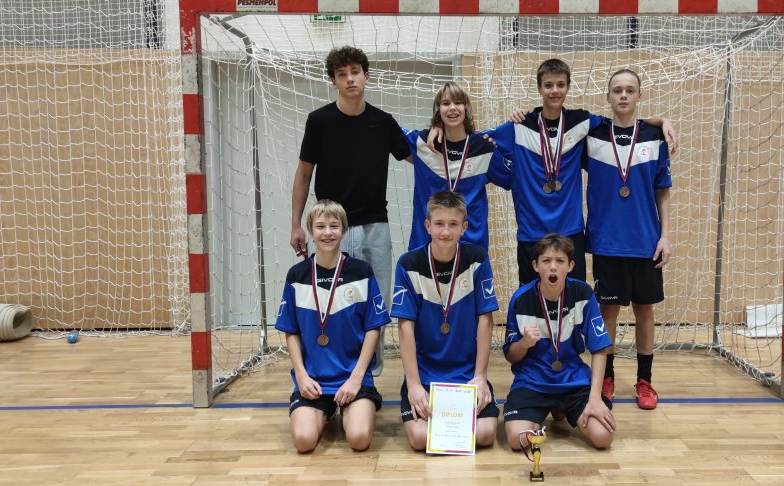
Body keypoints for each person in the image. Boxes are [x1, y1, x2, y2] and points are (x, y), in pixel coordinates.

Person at [435, 58, 676, 285]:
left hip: (571, 233)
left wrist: (661, 121)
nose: (554, 90)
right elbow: (470, 139)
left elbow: (623, 123)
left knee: (573, 303)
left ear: (568, 87)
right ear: (539, 88)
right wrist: (438, 127)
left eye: (560, 85)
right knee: (533, 304)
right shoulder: (519, 126)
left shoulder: (582, 121)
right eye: (548, 85)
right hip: (531, 234)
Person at [290, 46, 411, 376]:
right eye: (342, 74)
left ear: (366, 76)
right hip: (332, 229)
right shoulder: (319, 121)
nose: (350, 79)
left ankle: (369, 374)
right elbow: (304, 174)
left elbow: (420, 158)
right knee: (332, 302)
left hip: (375, 227)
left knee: (376, 302)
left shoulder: (383, 122)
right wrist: (296, 224)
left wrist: (446, 136)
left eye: (355, 72)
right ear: (334, 81)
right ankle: (330, 368)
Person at [585, 69, 672, 409]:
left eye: (630, 90)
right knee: (607, 312)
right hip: (606, 241)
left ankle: (645, 381)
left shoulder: (654, 137)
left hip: (646, 241)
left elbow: (662, 191)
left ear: (639, 95)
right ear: (608, 96)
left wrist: (665, 236)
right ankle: (606, 377)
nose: (623, 95)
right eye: (617, 90)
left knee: (644, 311)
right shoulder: (592, 135)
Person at [276, 200, 390, 453]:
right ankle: (325, 408)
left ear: (344, 230)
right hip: (314, 379)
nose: (327, 232)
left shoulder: (362, 272)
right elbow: (290, 330)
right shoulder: (297, 276)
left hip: (353, 376)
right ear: (310, 231)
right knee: (303, 442)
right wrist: (302, 376)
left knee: (359, 439)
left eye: (334, 226)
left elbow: (374, 327)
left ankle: (355, 404)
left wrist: (357, 377)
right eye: (320, 226)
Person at [391, 190, 501, 450]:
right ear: (427, 225)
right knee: (419, 439)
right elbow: (405, 327)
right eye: (439, 223)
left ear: (464, 227)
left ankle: (453, 421)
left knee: (486, 434)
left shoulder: (477, 259)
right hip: (426, 374)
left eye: (453, 224)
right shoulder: (408, 264)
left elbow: (485, 320)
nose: (445, 232)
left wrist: (480, 376)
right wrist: (414, 385)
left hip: (466, 373)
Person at [501, 233, 614, 450]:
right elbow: (511, 356)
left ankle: (561, 407)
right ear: (535, 266)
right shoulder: (521, 299)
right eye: (546, 261)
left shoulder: (582, 293)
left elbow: (600, 348)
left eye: (560, 261)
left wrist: (595, 399)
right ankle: (546, 411)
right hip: (533, 382)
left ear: (570, 266)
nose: (553, 267)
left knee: (603, 438)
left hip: (572, 381)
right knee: (518, 440)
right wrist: (524, 343)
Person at [402, 82, 511, 251]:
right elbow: (385, 127)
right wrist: (435, 125)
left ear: (466, 108)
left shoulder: (484, 148)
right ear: (438, 110)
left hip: (471, 249)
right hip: (426, 246)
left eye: (458, 102)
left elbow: (512, 178)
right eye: (446, 103)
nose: (452, 108)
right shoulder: (422, 143)